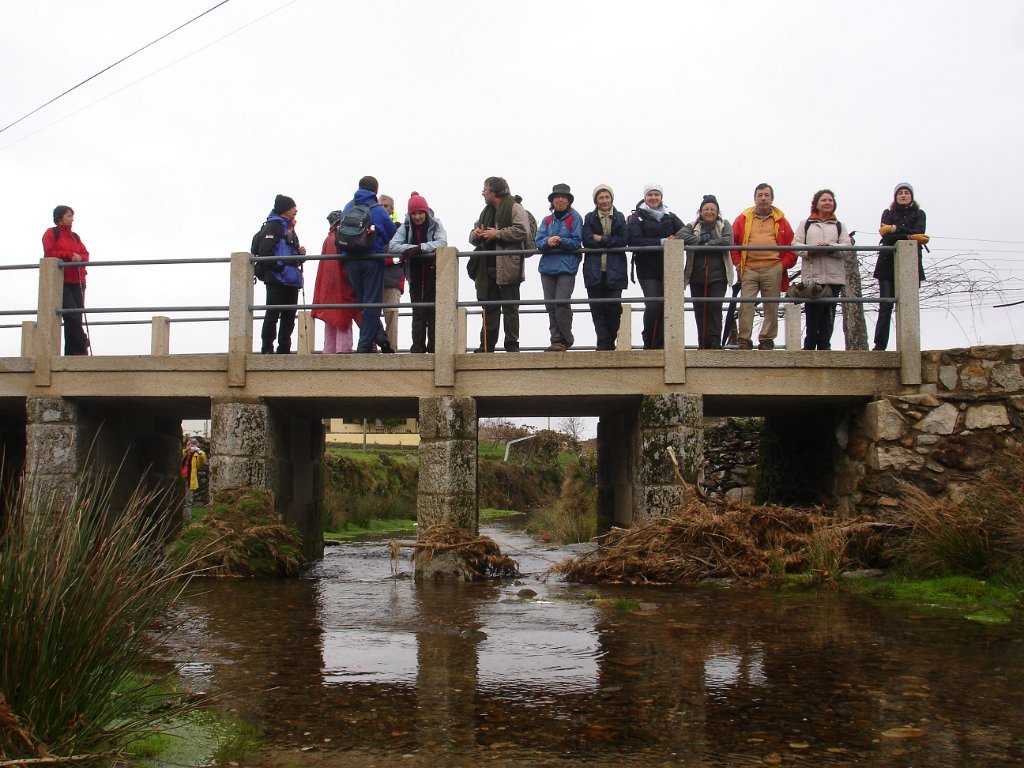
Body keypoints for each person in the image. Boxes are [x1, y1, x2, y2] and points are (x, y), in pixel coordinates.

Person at [730, 183, 796, 350]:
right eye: (760, 195)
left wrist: (782, 266)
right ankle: (744, 339)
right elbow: (733, 243)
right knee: (746, 304)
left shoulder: (781, 220)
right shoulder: (743, 218)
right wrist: (738, 263)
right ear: (755, 198)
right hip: (749, 267)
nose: (763, 198)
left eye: (766, 195)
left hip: (773, 266)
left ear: (772, 198)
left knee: (771, 305)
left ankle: (766, 339)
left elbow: (792, 246)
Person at [468, 176, 531, 352]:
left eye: (485, 189)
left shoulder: (515, 207)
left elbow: (522, 231)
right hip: (487, 268)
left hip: (509, 267)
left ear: (494, 191)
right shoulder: (485, 212)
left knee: (510, 307)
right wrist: (476, 233)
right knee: (489, 308)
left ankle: (512, 344)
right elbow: (472, 237)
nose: (482, 192)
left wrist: (497, 234)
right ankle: (487, 345)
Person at [340, 176, 398, 353]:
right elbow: (392, 233)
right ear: (375, 191)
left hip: (350, 260)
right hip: (372, 259)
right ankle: (364, 345)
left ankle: (380, 336)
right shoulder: (378, 210)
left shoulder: (348, 207)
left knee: (362, 302)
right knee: (372, 303)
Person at [793, 189, 853, 350]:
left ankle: (825, 346)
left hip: (834, 277)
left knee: (829, 315)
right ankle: (809, 346)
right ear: (816, 203)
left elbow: (847, 247)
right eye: (824, 200)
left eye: (830, 200)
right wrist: (811, 249)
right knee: (812, 314)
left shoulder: (839, 226)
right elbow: (795, 245)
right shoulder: (805, 224)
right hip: (812, 277)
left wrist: (830, 247)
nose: (828, 203)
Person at [388, 192, 448, 353]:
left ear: (426, 212)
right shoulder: (406, 226)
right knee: (418, 310)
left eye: (420, 212)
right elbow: (393, 246)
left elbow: (442, 242)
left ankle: (434, 346)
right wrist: (413, 249)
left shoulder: (435, 223)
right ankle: (417, 347)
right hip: (414, 273)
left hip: (432, 270)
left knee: (432, 309)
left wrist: (419, 248)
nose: (417, 217)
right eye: (414, 213)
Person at [627, 183, 685, 350]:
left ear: (661, 197)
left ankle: (664, 343)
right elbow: (635, 240)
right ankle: (650, 341)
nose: (653, 198)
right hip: (646, 268)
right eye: (650, 195)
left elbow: (685, 233)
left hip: (668, 267)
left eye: (656, 195)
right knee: (653, 304)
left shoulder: (670, 216)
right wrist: (661, 242)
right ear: (645, 197)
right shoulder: (637, 217)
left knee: (668, 305)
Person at [873, 183, 927, 351]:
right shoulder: (887, 213)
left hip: (911, 265)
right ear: (895, 196)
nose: (903, 195)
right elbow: (887, 238)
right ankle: (879, 346)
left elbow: (920, 232)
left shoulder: (920, 214)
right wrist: (909, 234)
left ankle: (910, 346)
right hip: (887, 264)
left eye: (906, 193)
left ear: (911, 196)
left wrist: (896, 229)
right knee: (886, 304)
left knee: (908, 306)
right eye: (900, 193)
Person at [678, 195, 734, 349]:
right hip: (696, 276)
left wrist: (709, 243)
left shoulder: (724, 225)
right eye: (706, 209)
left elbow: (728, 241)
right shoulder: (692, 225)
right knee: (700, 309)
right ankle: (702, 341)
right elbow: (680, 236)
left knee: (715, 307)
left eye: (712, 209)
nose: (709, 212)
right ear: (700, 212)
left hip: (719, 276)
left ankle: (714, 340)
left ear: (717, 212)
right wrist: (700, 240)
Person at [536, 183, 584, 352]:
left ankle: (566, 337)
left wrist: (561, 241)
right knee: (550, 306)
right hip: (547, 267)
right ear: (552, 200)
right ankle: (556, 340)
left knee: (561, 304)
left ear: (569, 200)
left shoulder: (575, 218)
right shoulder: (547, 220)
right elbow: (538, 242)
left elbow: (577, 241)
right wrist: (548, 242)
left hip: (567, 267)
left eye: (563, 197)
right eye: (557, 197)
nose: (560, 200)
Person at [256, 194, 306, 354]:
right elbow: (265, 252)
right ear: (285, 209)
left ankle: (284, 349)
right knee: (273, 313)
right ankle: (267, 349)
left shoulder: (290, 228)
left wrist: (300, 255)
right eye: (293, 207)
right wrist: (281, 268)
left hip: (291, 279)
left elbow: (291, 254)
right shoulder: (273, 227)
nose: (296, 210)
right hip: (276, 278)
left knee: (289, 316)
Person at [582, 184, 629, 351]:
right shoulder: (589, 217)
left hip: (615, 270)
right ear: (596, 200)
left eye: (606, 197)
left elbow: (623, 239)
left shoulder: (620, 216)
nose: (604, 201)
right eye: (600, 198)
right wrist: (610, 240)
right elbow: (587, 240)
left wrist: (601, 239)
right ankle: (604, 344)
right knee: (597, 309)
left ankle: (609, 340)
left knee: (614, 308)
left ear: (612, 198)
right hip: (594, 271)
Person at [41, 205, 90, 355]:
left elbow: (86, 254)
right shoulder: (51, 233)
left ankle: (73, 353)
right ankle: (82, 343)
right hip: (63, 280)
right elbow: (49, 252)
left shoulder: (75, 236)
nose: (72, 219)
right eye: (69, 216)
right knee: (71, 314)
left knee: (75, 316)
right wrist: (70, 255)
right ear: (60, 218)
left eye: (72, 216)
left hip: (79, 280)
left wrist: (79, 257)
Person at [313, 210, 361, 353]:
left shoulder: (328, 239)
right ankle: (343, 351)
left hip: (327, 288)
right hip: (341, 284)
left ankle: (329, 351)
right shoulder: (342, 239)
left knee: (330, 319)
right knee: (342, 318)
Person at [379, 194, 404, 352]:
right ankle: (372, 348)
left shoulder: (400, 229)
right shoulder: (371, 227)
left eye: (386, 206)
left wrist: (385, 260)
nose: (382, 208)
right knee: (371, 316)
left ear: (392, 209)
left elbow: (401, 258)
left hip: (393, 281)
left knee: (391, 316)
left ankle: (391, 351)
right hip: (374, 280)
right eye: (380, 205)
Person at [180, 437, 207, 523]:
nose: (190, 447)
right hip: (180, 478)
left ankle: (187, 518)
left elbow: (203, 460)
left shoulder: (196, 456)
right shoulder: (183, 453)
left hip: (189, 479)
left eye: (192, 445)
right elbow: (178, 457)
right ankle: (181, 517)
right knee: (180, 499)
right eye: (188, 445)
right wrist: (185, 450)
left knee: (188, 500)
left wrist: (198, 451)